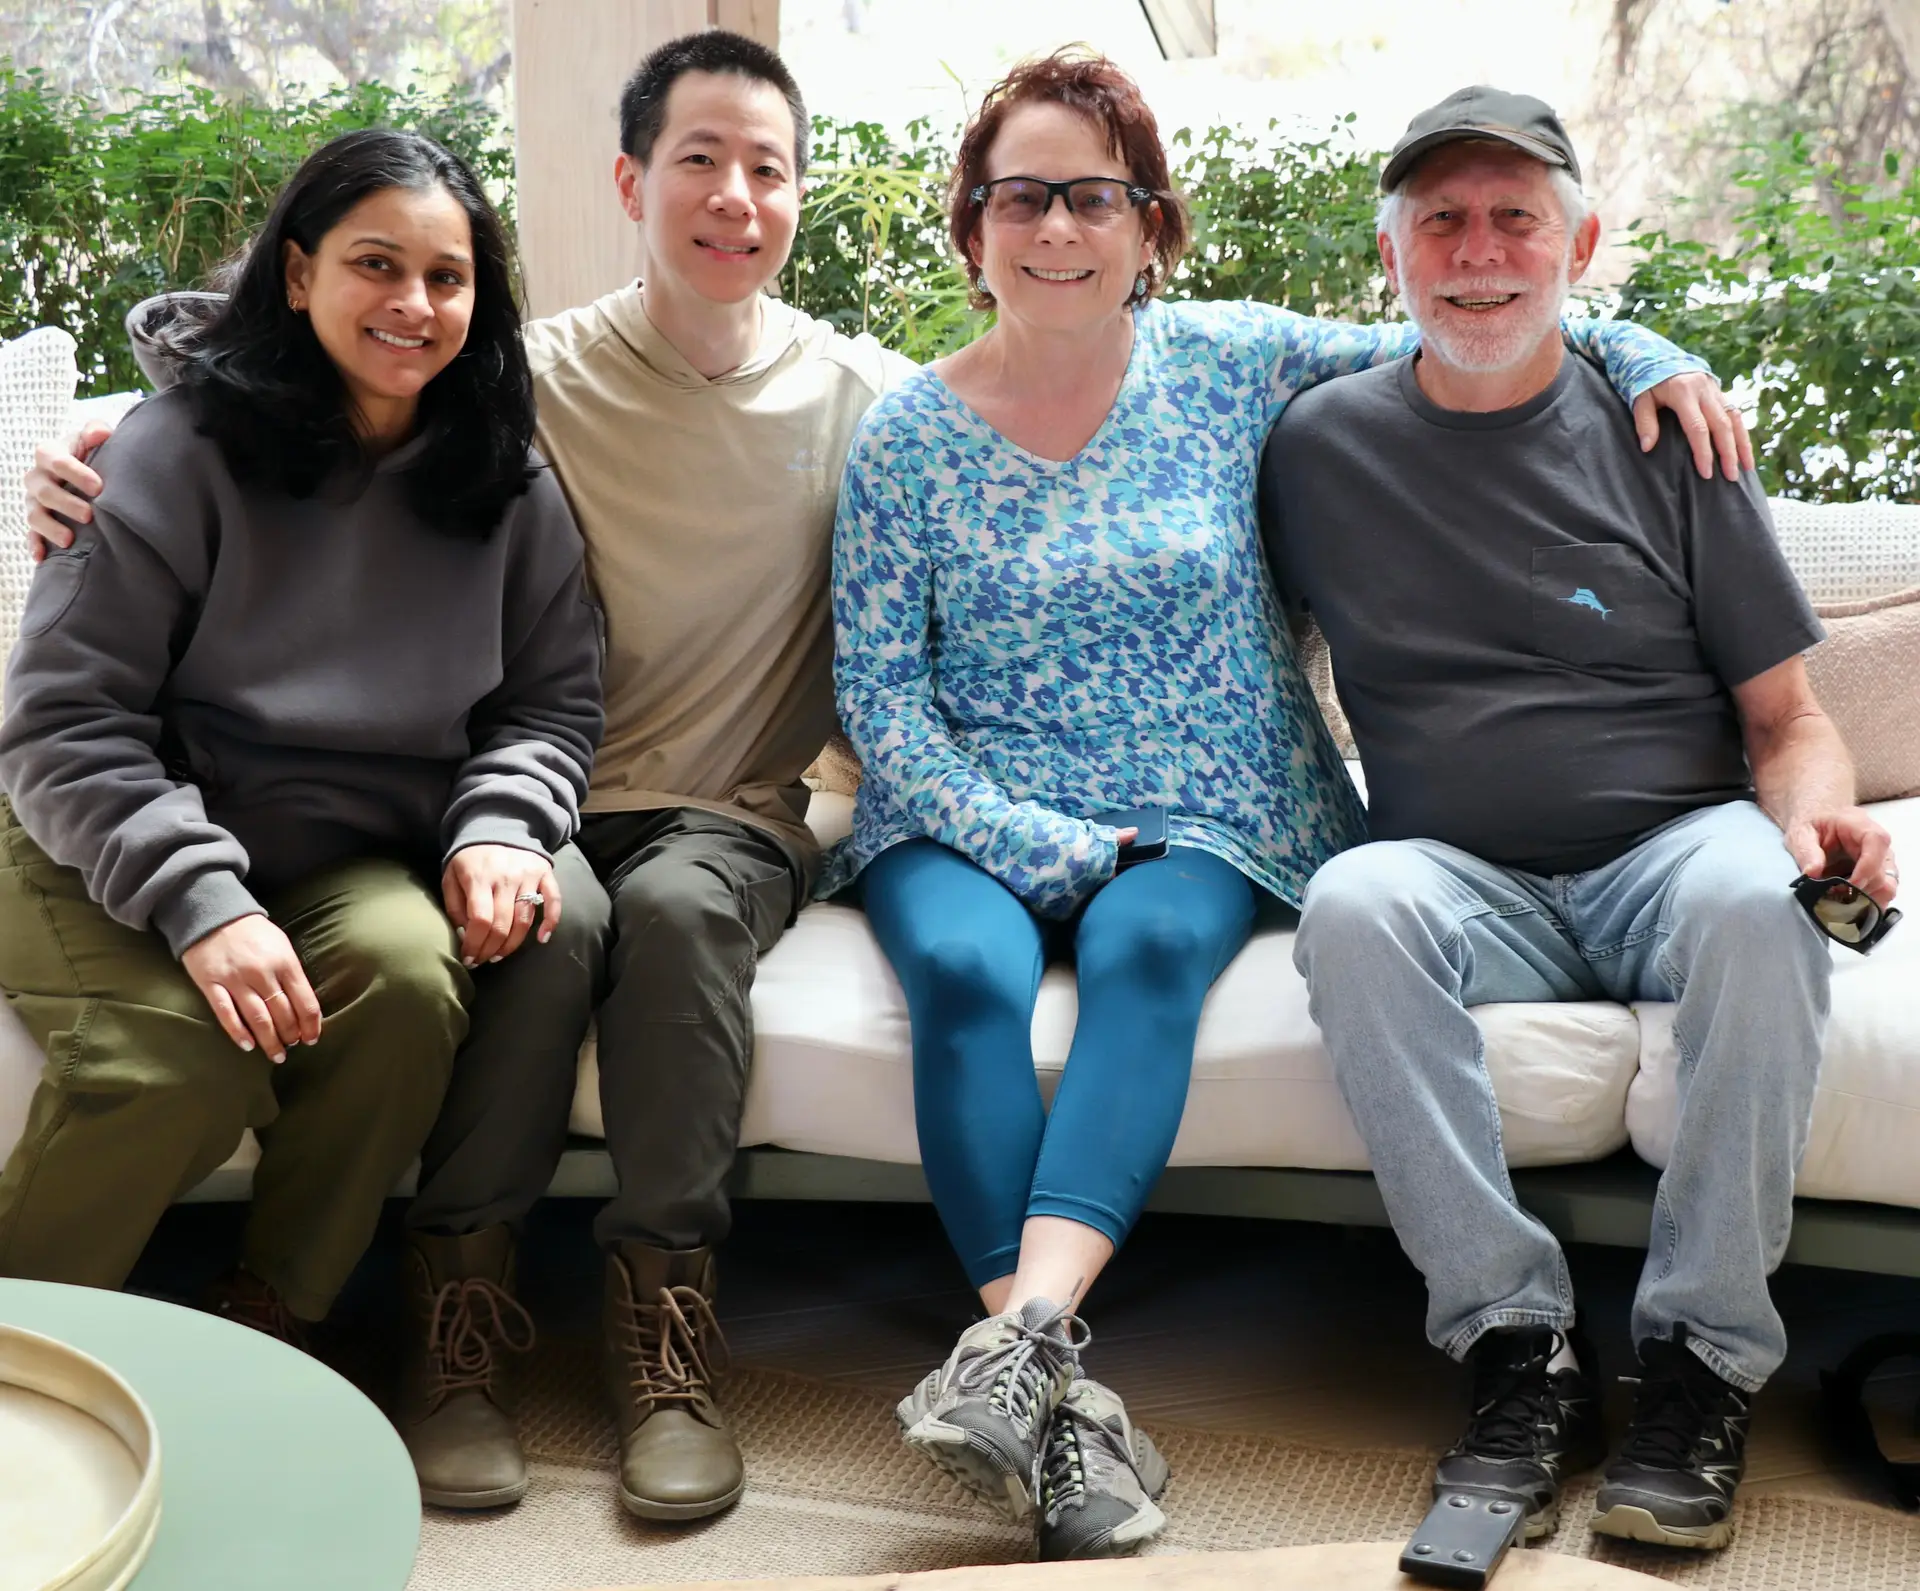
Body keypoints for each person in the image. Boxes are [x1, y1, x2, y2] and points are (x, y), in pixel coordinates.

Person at [826, 51, 1749, 1563]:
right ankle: (1053, 1399)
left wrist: (1642, 350)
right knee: (958, 969)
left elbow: (1476, 325)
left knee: (1146, 953)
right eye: (1021, 194)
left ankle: (1023, 1345)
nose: (1057, 224)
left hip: (1208, 804)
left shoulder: (1234, 359)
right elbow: (886, 703)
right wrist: (1034, 839)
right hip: (971, 806)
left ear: (1149, 224)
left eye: (1093, 195)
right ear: (971, 224)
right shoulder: (905, 440)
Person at [23, 31, 911, 1519]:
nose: (417, 307)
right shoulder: (379, 418)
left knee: (555, 942)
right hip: (279, 825)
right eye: (698, 159)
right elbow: (81, 699)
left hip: (582, 820)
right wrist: (114, 432)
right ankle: (395, 1326)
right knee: (362, 989)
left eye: (769, 169)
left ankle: (522, 1323)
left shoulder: (786, 411)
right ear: (632, 180)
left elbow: (547, 692)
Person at [1260, 86, 1900, 1551]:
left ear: (1582, 244)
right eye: (1442, 221)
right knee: (1355, 907)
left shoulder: (1674, 436)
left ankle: (1700, 1365)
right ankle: (1514, 1349)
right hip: (1457, 868)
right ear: (1392, 253)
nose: (1478, 252)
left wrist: (1815, 826)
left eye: (1514, 219)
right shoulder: (1313, 446)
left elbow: (1791, 721)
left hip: (1667, 849)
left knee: (1759, 902)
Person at [0, 130, 602, 1348]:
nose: (413, 304)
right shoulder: (167, 454)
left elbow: (549, 703)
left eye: (447, 277)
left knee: (407, 978)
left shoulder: (508, 478)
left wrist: (501, 823)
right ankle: (23, 1353)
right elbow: (65, 724)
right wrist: (205, 905)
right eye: (375, 264)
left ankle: (269, 1321)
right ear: (294, 273)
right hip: (90, 830)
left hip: (334, 853)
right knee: (174, 1061)